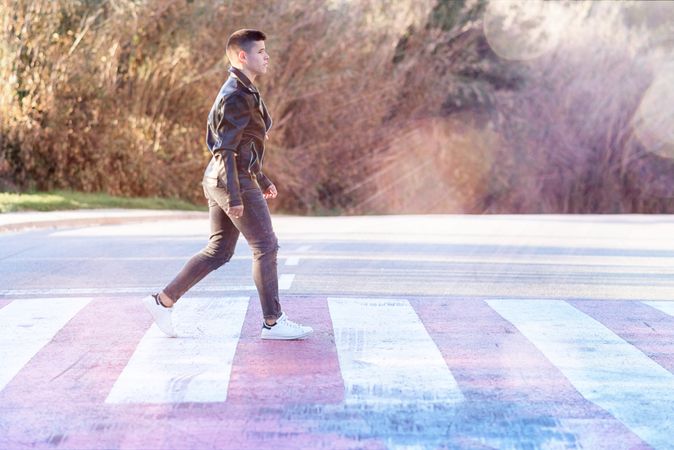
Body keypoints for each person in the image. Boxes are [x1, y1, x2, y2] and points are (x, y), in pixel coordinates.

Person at [142, 29, 312, 340]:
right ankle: (273, 322)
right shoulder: (236, 94)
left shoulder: (244, 90)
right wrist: (236, 195)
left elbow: (243, 142)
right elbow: (225, 149)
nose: (267, 56)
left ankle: (162, 301)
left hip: (221, 176)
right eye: (261, 51)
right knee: (266, 247)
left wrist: (260, 176)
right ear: (241, 56)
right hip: (230, 177)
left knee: (219, 251)